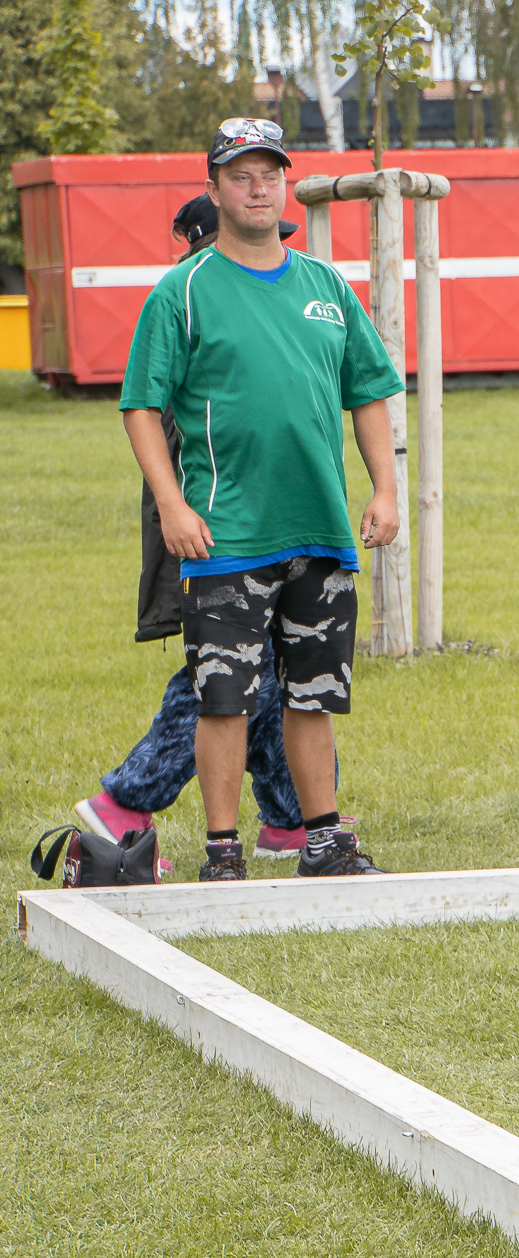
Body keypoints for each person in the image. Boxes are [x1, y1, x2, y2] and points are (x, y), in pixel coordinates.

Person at [119, 118, 404, 881]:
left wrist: (384, 489)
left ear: (284, 184)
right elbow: (141, 406)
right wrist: (173, 506)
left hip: (320, 529)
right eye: (239, 175)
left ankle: (323, 841)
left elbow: (369, 392)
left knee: (315, 697)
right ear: (213, 190)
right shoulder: (182, 291)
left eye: (268, 174)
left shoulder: (325, 286)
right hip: (226, 535)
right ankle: (223, 852)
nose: (256, 187)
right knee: (223, 697)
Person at [78, 195, 341, 864]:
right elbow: (154, 423)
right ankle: (127, 801)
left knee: (270, 671)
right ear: (190, 238)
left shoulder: (284, 298)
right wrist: (179, 512)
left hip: (277, 526)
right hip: (208, 524)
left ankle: (287, 816)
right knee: (220, 676)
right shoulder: (183, 307)